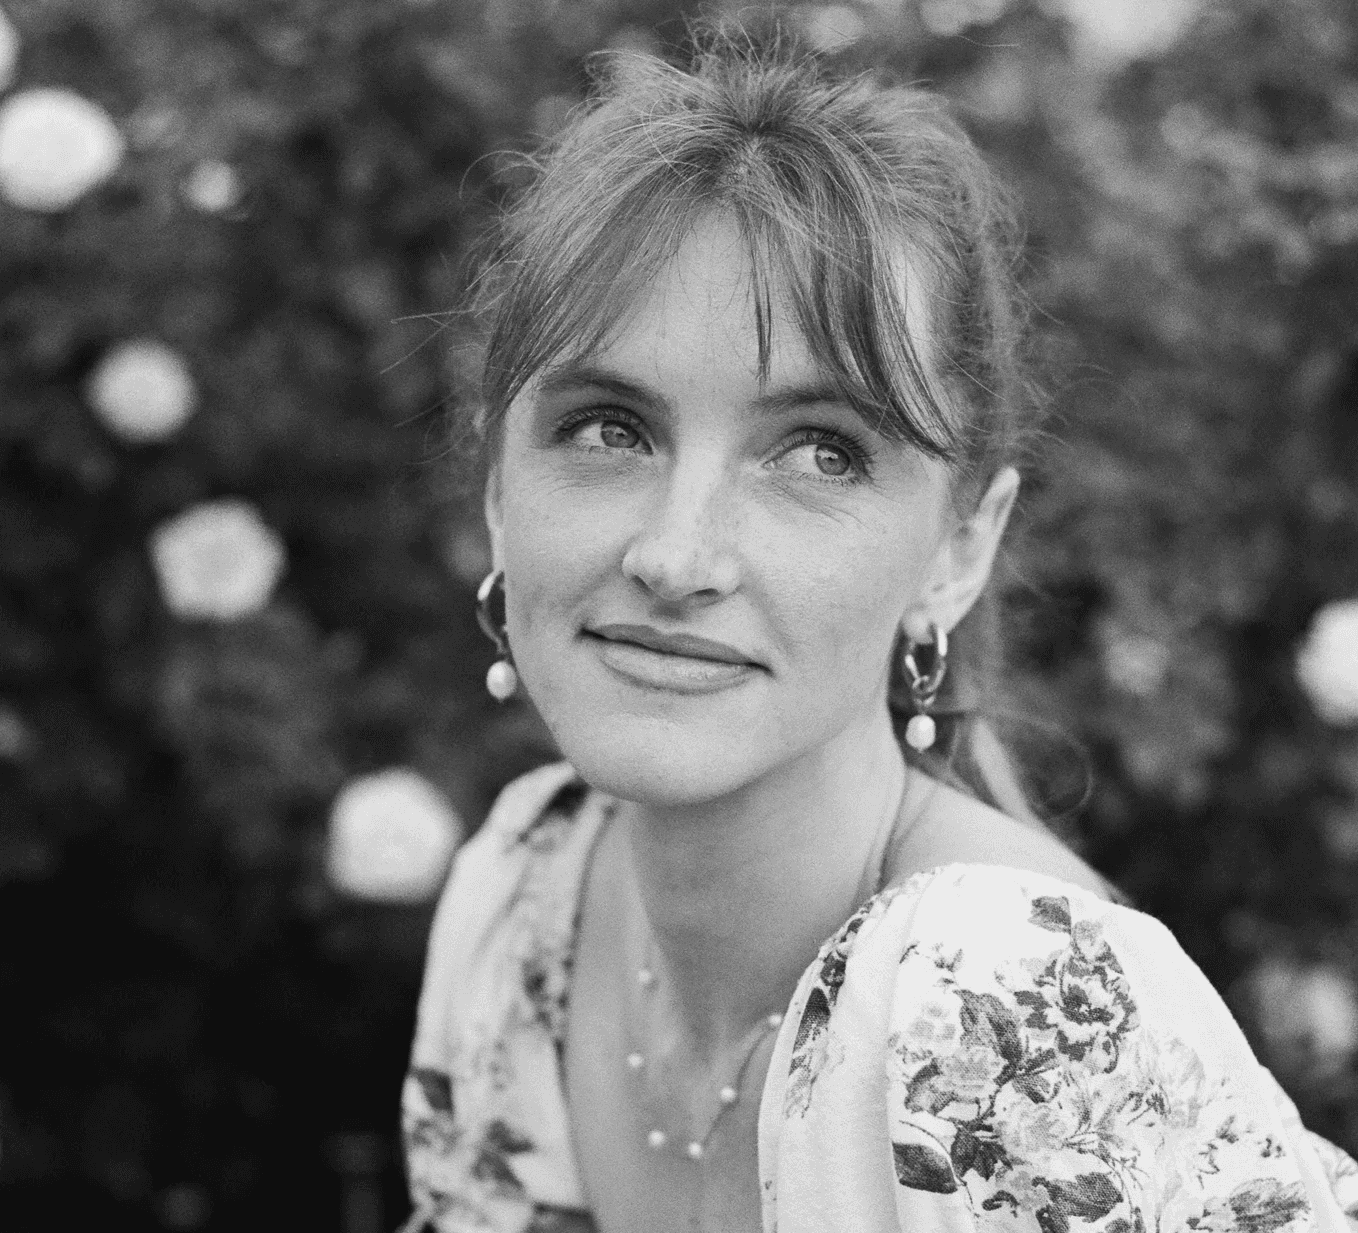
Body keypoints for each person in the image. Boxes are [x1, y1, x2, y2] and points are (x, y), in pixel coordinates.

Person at [401, 31, 1358, 1233]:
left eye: (819, 453)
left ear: (959, 548)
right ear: (498, 484)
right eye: (607, 429)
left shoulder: (1002, 1005)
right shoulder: (523, 898)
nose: (676, 556)